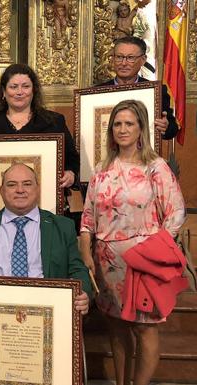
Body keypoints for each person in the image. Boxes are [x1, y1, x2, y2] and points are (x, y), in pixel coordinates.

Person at [80, 99, 185, 385]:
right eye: (117, 124)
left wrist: (154, 251)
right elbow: (88, 216)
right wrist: (85, 250)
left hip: (144, 263)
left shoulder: (155, 167)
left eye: (129, 123)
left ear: (141, 129)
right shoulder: (102, 167)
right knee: (116, 328)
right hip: (107, 262)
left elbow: (175, 213)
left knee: (144, 328)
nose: (122, 129)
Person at [0, 163, 92, 312]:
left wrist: (84, 293)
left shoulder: (63, 226)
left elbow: (78, 269)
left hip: (45, 306)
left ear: (37, 189)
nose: (20, 190)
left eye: (27, 184)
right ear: (2, 191)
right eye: (11, 185)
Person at [0, 63, 79, 189]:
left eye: (26, 86)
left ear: (34, 91)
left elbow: (73, 160)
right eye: (13, 87)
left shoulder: (54, 122)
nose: (20, 92)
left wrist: (71, 174)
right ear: (4, 92)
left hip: (46, 197)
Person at [96, 36, 178, 139]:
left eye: (130, 58)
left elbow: (172, 129)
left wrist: (166, 127)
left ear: (143, 60)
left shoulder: (155, 91)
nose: (124, 63)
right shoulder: (97, 93)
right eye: (119, 57)